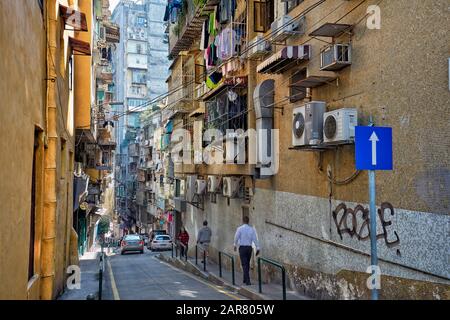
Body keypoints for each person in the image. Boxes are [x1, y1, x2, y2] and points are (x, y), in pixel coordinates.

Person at [234, 216, 260, 286]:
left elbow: (236, 237)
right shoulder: (251, 229)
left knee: (244, 264)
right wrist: (258, 248)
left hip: (242, 248)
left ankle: (248, 281)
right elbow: (255, 239)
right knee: (247, 263)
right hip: (249, 248)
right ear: (248, 221)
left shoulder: (239, 229)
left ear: (243, 221)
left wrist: (234, 245)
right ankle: (245, 279)